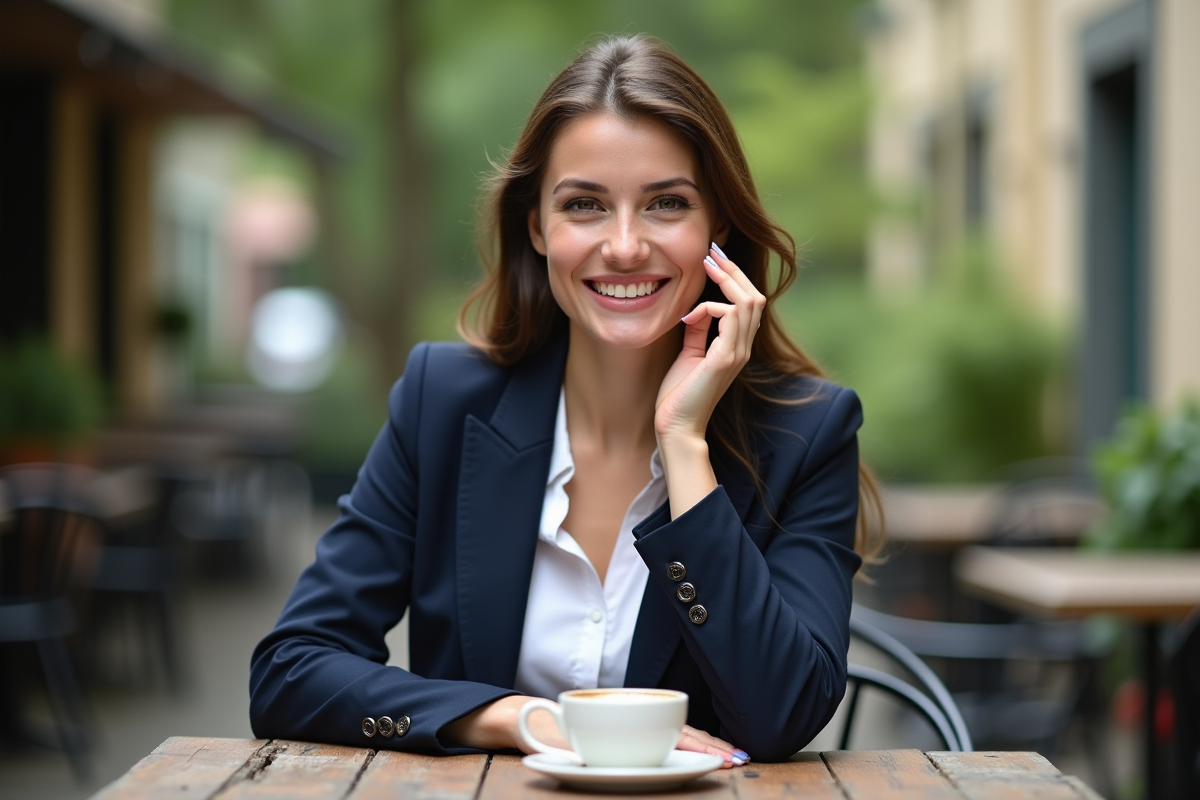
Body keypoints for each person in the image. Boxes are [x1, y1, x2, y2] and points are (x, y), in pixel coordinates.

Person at [250, 33, 882, 765]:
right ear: (538, 227)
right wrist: (515, 717)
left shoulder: (809, 434)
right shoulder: (442, 403)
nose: (624, 246)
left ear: (718, 226)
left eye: (667, 203)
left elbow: (784, 714)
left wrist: (685, 447)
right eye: (584, 204)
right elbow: (291, 670)